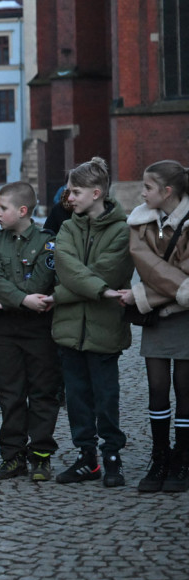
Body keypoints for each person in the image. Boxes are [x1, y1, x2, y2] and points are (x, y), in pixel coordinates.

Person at [51, 157, 133, 487]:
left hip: (104, 329)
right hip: (70, 330)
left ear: (96, 193)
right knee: (77, 399)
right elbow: (66, 269)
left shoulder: (123, 230)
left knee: (106, 398)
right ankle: (87, 457)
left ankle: (112, 455)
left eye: (75, 192)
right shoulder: (68, 227)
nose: (69, 198)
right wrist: (97, 290)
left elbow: (108, 274)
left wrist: (59, 296)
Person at [0, 182, 61, 482]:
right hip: (6, 331)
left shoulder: (46, 242)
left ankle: (41, 455)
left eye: (3, 208)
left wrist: (20, 298)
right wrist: (22, 300)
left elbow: (41, 282)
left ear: (23, 210)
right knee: (9, 393)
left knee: (42, 392)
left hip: (39, 329)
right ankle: (12, 456)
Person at [121, 160, 189, 492]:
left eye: (147, 187)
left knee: (185, 390)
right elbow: (150, 269)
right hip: (160, 317)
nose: (141, 192)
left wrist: (140, 296)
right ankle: (160, 456)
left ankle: (183, 457)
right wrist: (170, 292)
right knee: (157, 389)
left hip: (185, 318)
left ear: (167, 191)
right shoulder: (140, 222)